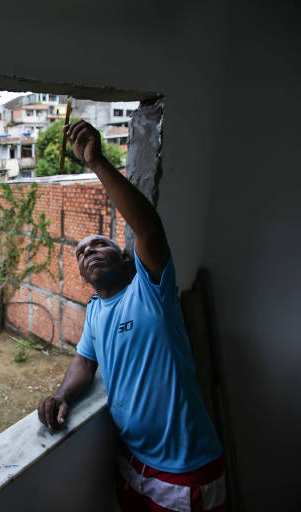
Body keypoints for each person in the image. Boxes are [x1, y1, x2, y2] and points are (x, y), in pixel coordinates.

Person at [37, 120, 226, 512]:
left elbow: (150, 231)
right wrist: (62, 396)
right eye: (79, 252)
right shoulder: (95, 312)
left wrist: (97, 162)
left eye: (98, 244)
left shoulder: (149, 289)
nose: (86, 251)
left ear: (125, 257)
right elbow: (84, 362)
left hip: (183, 471)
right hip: (131, 463)